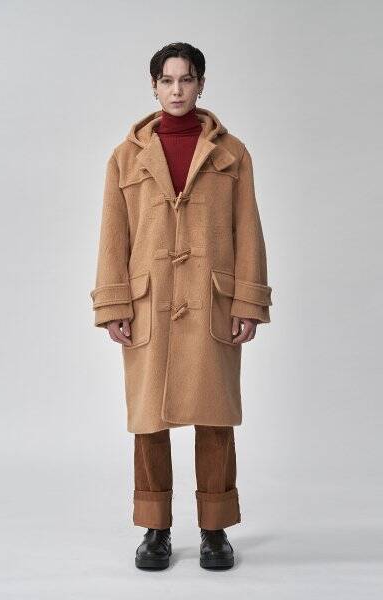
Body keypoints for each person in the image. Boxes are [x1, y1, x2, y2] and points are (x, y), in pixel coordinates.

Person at [90, 42, 273, 570]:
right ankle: (156, 528)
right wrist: (114, 304)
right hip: (149, 303)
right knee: (148, 419)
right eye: (167, 81)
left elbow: (247, 229)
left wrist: (247, 301)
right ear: (153, 86)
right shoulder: (126, 156)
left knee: (216, 418)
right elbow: (113, 236)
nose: (176, 90)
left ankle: (215, 529)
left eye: (186, 80)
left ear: (200, 84)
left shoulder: (231, 153)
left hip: (209, 300)